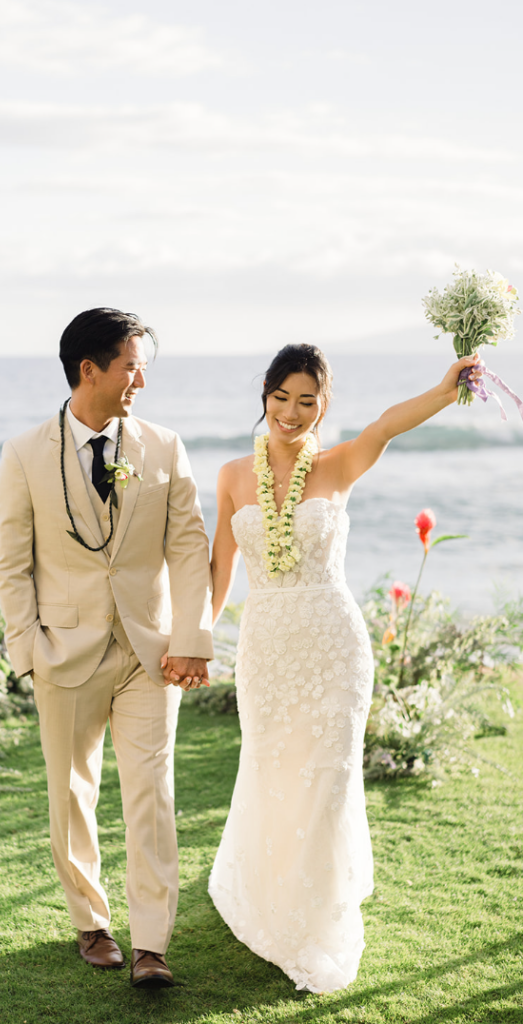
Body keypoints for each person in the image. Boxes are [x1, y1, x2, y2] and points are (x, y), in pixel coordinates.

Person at [207, 344, 481, 993]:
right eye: (281, 398)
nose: (291, 412)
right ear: (265, 397)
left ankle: (317, 916)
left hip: (333, 647)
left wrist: (446, 390)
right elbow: (222, 567)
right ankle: (273, 895)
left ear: (323, 406)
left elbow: (386, 423)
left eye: (307, 401)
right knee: (273, 768)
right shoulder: (231, 475)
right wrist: (194, 639)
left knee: (326, 778)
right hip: (267, 647)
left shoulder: (338, 464)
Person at [0, 308, 213, 988]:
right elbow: (11, 563)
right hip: (64, 652)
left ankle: (151, 945)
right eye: (131, 365)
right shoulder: (25, 453)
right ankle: (91, 921)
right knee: (71, 794)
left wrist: (191, 641)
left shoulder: (164, 447)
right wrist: (28, 651)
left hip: (153, 653)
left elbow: (188, 548)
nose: (140, 379)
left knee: (153, 795)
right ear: (90, 369)